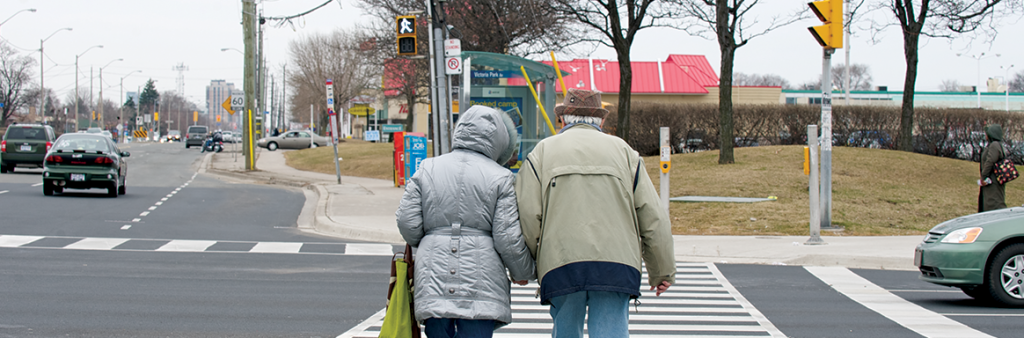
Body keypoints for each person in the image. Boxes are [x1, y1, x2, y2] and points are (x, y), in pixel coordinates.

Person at [514, 88, 676, 338]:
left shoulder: (543, 152)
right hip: (617, 264)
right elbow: (652, 216)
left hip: (561, 263)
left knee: (566, 331)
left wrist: (528, 265)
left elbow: (527, 215)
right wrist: (661, 270)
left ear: (562, 119)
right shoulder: (625, 153)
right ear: (601, 120)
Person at [396, 105, 536, 338]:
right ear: (499, 140)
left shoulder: (428, 168)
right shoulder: (501, 177)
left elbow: (406, 222)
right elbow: (507, 237)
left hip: (433, 274)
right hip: (481, 280)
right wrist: (524, 271)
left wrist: (431, 238)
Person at [979, 123, 1008, 212]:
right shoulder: (995, 145)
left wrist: (983, 177)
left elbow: (990, 161)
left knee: (993, 203)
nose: (985, 135)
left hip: (992, 181)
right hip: (991, 180)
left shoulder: (994, 145)